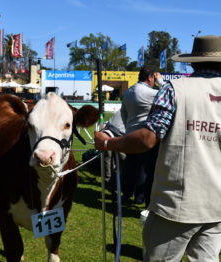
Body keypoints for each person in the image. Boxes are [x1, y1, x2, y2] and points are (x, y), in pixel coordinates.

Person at [95, 35, 221, 261]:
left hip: (175, 205)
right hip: (216, 207)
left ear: (192, 62)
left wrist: (106, 143)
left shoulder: (175, 89)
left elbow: (147, 139)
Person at [120, 67, 165, 206]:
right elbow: (169, 94)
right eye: (154, 79)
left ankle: (126, 194)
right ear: (150, 77)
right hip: (144, 135)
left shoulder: (127, 92)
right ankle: (140, 197)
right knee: (145, 169)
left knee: (130, 168)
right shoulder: (152, 93)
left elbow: (123, 114)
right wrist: (161, 81)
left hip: (129, 134)